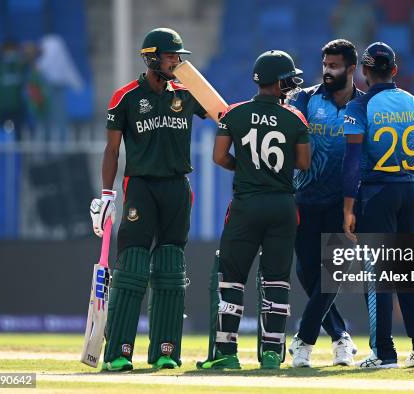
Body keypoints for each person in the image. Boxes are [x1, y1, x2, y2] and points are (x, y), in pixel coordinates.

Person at [89, 27, 208, 372]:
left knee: (171, 269)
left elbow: (222, 113)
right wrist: (107, 195)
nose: (177, 62)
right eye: (171, 56)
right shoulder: (125, 97)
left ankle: (165, 350)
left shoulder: (187, 93)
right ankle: (119, 352)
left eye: (179, 57)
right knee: (133, 269)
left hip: (176, 187)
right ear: (152, 57)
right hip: (140, 186)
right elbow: (112, 150)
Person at [197, 50, 311, 370]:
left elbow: (219, 157)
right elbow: (303, 162)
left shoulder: (234, 113)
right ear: (276, 83)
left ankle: (226, 354)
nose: (290, 85)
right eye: (286, 80)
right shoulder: (295, 117)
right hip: (282, 205)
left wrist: (246, 168)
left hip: (246, 205)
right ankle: (273, 354)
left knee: (232, 279)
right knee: (276, 281)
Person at [342, 42, 414, 368]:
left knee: (378, 274)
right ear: (394, 70)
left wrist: (347, 207)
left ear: (364, 72)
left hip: (376, 192)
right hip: (409, 191)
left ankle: (383, 352)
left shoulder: (359, 107)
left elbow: (353, 162)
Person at [287, 39, 363, 368]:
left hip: (344, 203)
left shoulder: (365, 107)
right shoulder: (306, 99)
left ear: (351, 68)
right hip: (305, 198)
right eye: (325, 65)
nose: (327, 71)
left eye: (334, 66)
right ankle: (341, 337)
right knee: (307, 272)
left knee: (334, 273)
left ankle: (303, 341)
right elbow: (286, 132)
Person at [0, 40, 27, 137]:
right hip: (1, 107)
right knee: (0, 136)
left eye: (13, 51)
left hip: (17, 107)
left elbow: (31, 54)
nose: (11, 54)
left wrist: (22, 51)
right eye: (8, 51)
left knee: (18, 136)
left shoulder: (20, 65)